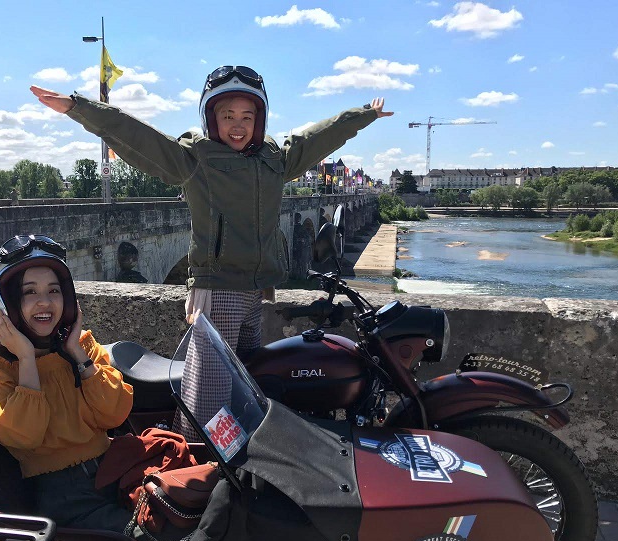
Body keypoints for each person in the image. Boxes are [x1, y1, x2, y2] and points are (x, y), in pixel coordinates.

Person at [30, 66, 393, 440]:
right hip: (218, 291)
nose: (238, 125)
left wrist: (363, 115)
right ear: (211, 118)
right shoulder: (197, 159)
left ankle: (237, 460)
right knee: (209, 396)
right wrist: (79, 107)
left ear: (260, 119)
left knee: (248, 388)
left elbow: (317, 138)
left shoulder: (273, 159)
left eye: (247, 116)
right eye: (227, 115)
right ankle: (195, 461)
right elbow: (140, 138)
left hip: (256, 292)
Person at [0, 234, 135, 530]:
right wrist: (27, 359)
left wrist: (77, 354)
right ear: (4, 306)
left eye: (54, 291)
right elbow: (25, 435)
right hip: (63, 496)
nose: (44, 302)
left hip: (114, 468)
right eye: (29, 292)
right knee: (153, 538)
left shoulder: (82, 349)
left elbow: (115, 413)